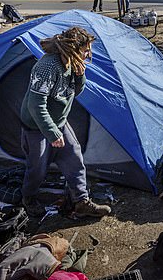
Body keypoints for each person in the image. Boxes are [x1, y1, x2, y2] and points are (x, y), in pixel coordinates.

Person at [20, 27, 111, 218]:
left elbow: (73, 93)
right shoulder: (46, 67)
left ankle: (81, 202)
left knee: (74, 158)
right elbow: (35, 105)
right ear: (73, 49)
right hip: (36, 126)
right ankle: (28, 199)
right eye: (86, 50)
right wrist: (52, 133)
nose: (89, 55)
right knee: (37, 167)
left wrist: (79, 76)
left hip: (59, 121)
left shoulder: (71, 63)